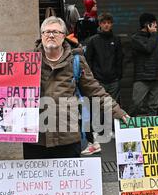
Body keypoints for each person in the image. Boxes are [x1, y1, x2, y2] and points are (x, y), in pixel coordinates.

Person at [24, 16, 129, 159]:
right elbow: (0, 83)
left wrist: (119, 112)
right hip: (35, 139)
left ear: (64, 36)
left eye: (56, 32)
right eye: (46, 32)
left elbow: (95, 91)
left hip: (67, 139)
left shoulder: (76, 61)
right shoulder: (26, 61)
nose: (51, 35)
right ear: (41, 35)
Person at [82, 12, 123, 155]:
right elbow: (88, 60)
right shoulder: (93, 40)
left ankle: (112, 130)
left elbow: (119, 58)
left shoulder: (116, 40)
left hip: (113, 78)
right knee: (97, 106)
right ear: (99, 24)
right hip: (98, 79)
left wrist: (118, 75)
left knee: (113, 105)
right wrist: (92, 78)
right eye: (103, 22)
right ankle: (97, 132)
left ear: (111, 24)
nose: (106, 25)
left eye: (109, 22)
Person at [129, 13, 158, 116]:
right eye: (154, 23)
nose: (156, 25)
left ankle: (151, 129)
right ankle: (129, 127)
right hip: (142, 77)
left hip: (156, 77)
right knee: (136, 104)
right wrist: (153, 35)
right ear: (147, 24)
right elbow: (148, 49)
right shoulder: (136, 38)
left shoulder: (155, 37)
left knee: (153, 106)